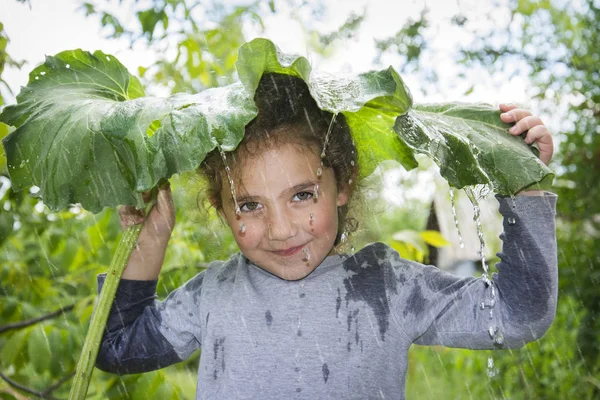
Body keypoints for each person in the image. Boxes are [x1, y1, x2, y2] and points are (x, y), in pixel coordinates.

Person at [96, 73, 557, 399]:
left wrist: (522, 184)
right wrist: (151, 239)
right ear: (221, 209)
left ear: (345, 183)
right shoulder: (213, 294)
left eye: (301, 195)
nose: (279, 230)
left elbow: (517, 315)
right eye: (250, 205)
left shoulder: (388, 287)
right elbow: (115, 347)